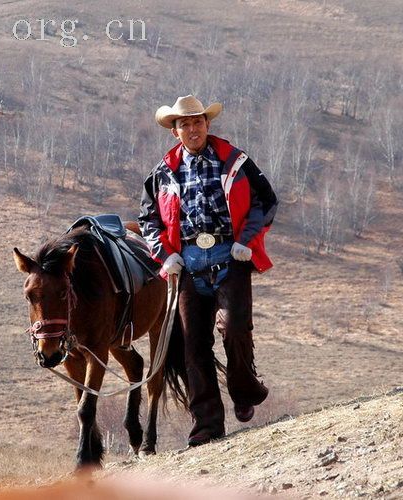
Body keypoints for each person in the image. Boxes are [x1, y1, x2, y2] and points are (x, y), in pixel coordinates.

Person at [138, 95, 278, 446]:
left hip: (229, 254)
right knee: (193, 346)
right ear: (175, 131)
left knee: (235, 327)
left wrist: (246, 239)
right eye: (184, 124)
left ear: (207, 125)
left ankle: (244, 391)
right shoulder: (161, 173)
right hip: (186, 262)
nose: (192, 128)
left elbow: (265, 200)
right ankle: (207, 427)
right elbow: (148, 219)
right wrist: (165, 254)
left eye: (197, 121)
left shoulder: (235, 160)